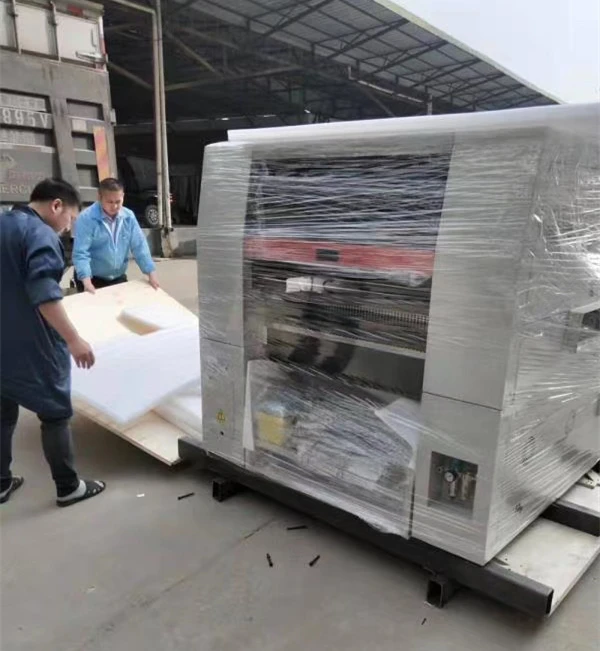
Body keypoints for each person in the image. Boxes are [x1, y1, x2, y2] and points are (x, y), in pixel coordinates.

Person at [0, 178, 106, 506]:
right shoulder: (40, 234)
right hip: (31, 341)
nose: (68, 228)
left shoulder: (3, 222)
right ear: (56, 206)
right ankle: (68, 487)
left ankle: (0, 483)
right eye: (70, 218)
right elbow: (44, 294)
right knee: (55, 412)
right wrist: (73, 339)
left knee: (2, 412)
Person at [72, 177, 159, 293]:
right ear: (99, 197)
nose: (114, 206)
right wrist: (86, 281)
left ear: (123, 196)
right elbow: (81, 253)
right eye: (110, 202)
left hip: (117, 277)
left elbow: (139, 246)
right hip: (92, 278)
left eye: (118, 201)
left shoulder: (128, 217)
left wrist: (151, 273)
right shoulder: (86, 218)